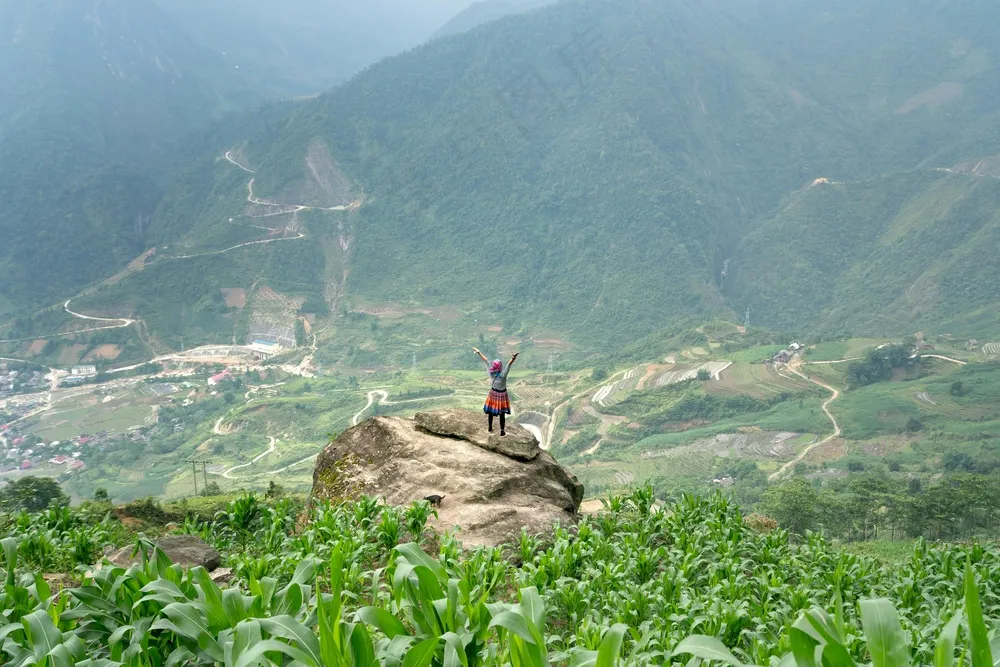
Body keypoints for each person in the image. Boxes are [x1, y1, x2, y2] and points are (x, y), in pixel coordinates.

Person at [473, 347, 518, 435]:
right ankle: (502, 431)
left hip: (493, 393)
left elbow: (485, 360)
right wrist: (513, 358)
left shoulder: (491, 372)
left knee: (490, 411)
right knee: (502, 414)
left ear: (493, 366)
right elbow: (509, 364)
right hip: (502, 395)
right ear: (500, 366)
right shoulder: (503, 374)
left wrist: (478, 352)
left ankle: (490, 427)